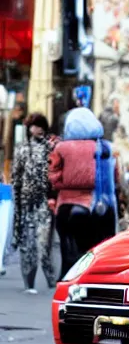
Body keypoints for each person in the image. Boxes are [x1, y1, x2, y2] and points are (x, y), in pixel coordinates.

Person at [49, 107, 118, 280]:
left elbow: (53, 175)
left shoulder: (61, 148)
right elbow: (115, 176)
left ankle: (67, 273)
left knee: (67, 244)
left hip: (67, 203)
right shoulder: (105, 147)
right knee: (96, 245)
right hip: (99, 203)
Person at [10, 113, 57, 293]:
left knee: (44, 244)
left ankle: (51, 279)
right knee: (27, 245)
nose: (36, 130)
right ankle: (28, 282)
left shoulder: (50, 148)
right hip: (26, 202)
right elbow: (16, 176)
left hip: (44, 202)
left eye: (39, 126)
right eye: (33, 126)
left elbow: (54, 174)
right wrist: (18, 203)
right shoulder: (21, 148)